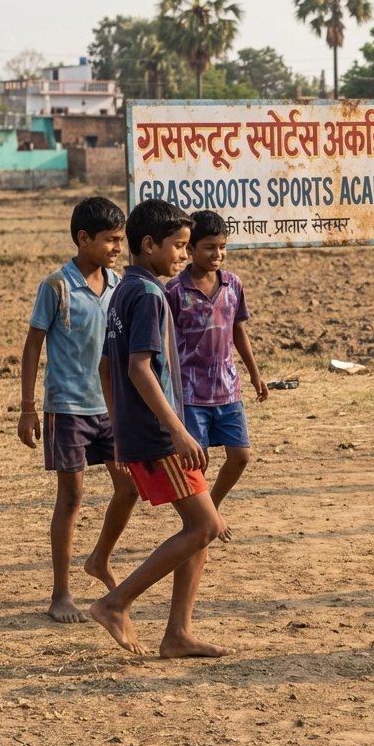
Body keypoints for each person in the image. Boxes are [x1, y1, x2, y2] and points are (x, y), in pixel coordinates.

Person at [89, 199, 231, 659]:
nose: (183, 255)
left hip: (141, 430)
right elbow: (138, 369)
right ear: (149, 244)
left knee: (201, 526)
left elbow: (106, 366)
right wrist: (177, 431)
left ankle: (178, 634)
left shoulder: (123, 289)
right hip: (158, 433)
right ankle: (115, 603)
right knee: (205, 525)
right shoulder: (150, 295)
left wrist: (119, 429)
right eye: (179, 246)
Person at [18, 197, 139, 623]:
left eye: (121, 240)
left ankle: (99, 558)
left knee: (129, 487)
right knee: (71, 498)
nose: (117, 248)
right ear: (84, 239)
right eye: (110, 240)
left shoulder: (119, 285)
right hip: (67, 409)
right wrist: (28, 408)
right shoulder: (57, 286)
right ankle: (61, 593)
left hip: (111, 409)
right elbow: (33, 345)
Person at [165, 210, 268, 541]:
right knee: (198, 463)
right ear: (190, 248)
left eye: (222, 247)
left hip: (227, 388)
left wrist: (254, 374)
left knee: (241, 455)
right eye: (209, 247)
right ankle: (200, 522)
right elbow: (165, 342)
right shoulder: (174, 291)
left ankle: (211, 508)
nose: (217, 254)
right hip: (190, 393)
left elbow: (238, 330)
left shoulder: (232, 284)